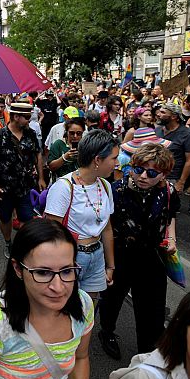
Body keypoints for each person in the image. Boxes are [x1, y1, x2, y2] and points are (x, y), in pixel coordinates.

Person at [0, 219, 93, 379]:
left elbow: (81, 357)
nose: (58, 287)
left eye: (67, 271)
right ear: (18, 269)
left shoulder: (83, 304)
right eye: (43, 273)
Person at [97, 143, 180, 360]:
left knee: (152, 310)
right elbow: (104, 227)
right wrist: (108, 264)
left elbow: (171, 216)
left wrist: (171, 238)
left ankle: (147, 353)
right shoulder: (115, 190)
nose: (143, 176)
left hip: (152, 257)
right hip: (119, 255)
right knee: (111, 300)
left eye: (151, 173)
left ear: (164, 174)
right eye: (137, 169)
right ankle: (106, 332)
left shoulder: (169, 192)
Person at [45, 129, 118, 303]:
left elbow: (106, 229)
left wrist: (110, 266)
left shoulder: (106, 186)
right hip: (70, 258)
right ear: (98, 160)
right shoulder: (63, 187)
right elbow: (51, 233)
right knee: (65, 309)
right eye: (113, 158)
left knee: (88, 312)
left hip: (97, 256)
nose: (117, 164)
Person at [0, 103, 46, 257]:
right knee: (5, 218)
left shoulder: (31, 134)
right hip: (3, 188)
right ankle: (7, 242)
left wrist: (41, 177)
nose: (28, 120)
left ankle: (21, 245)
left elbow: (38, 154)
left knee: (27, 217)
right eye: (26, 117)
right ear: (16, 117)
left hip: (25, 186)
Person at [155, 102, 190, 194]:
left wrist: (181, 182)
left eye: (163, 112)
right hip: (154, 175)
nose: (158, 114)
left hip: (172, 178)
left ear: (174, 116)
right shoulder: (158, 130)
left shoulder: (187, 134)